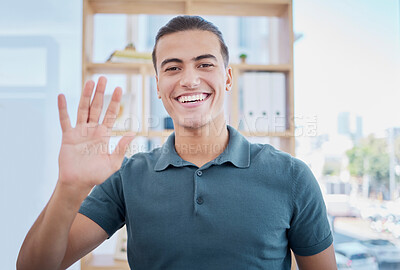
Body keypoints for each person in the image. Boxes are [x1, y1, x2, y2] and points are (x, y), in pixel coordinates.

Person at [17, 15, 337, 270]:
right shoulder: (127, 177)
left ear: (227, 78)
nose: (189, 79)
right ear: (158, 85)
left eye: (205, 64)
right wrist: (69, 188)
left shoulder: (292, 176)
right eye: (173, 68)